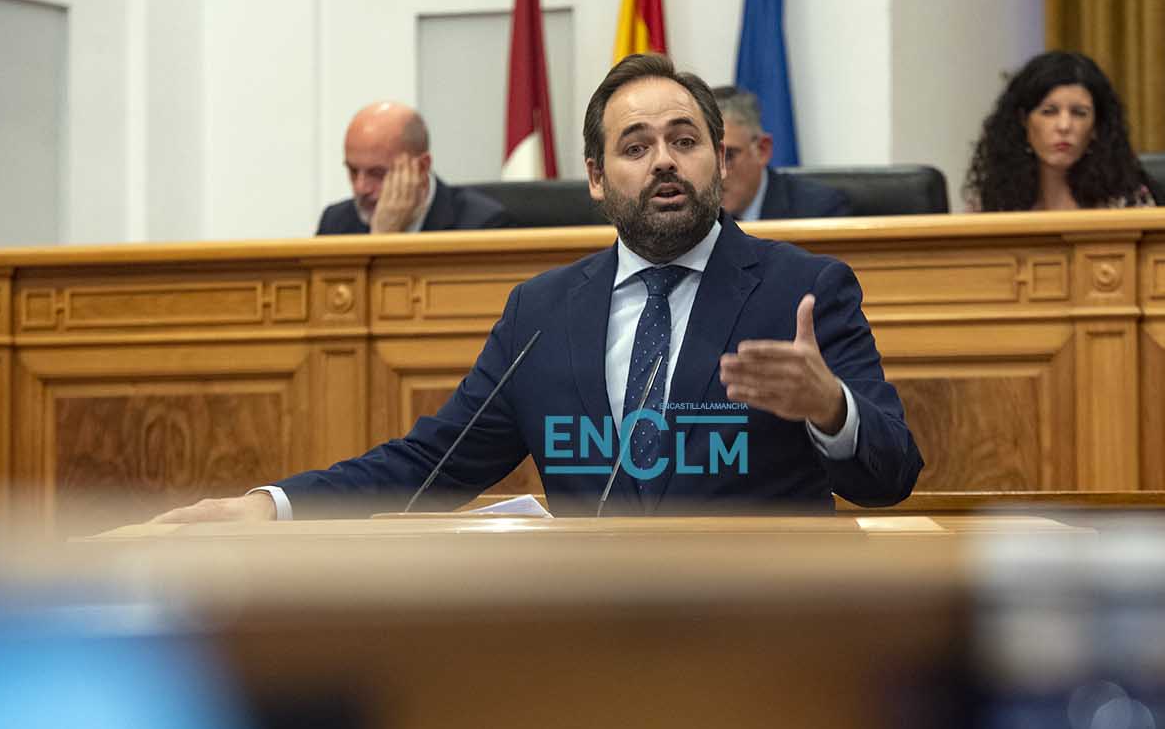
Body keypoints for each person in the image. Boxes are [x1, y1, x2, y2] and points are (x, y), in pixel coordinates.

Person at [156, 54, 921, 522]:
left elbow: (890, 478)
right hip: (591, 646)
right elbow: (432, 463)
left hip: (769, 642)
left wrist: (830, 408)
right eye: (636, 145)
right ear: (595, 178)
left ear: (718, 164)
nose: (664, 161)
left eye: (685, 142)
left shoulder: (803, 291)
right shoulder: (543, 311)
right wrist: (272, 507)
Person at [963, 51, 1157, 212]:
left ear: (1096, 127)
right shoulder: (992, 201)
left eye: (1079, 113)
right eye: (1049, 112)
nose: (1064, 126)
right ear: (1023, 121)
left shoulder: (1127, 201)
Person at [316, 101, 511, 234]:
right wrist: (380, 237)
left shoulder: (483, 225)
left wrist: (385, 240)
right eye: (353, 171)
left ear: (422, 167)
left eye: (377, 174)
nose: (360, 188)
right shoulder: (335, 223)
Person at [711, 85, 851, 220]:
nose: (717, 174)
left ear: (762, 150)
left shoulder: (819, 211)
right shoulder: (693, 217)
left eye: (728, 156)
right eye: (708, 159)